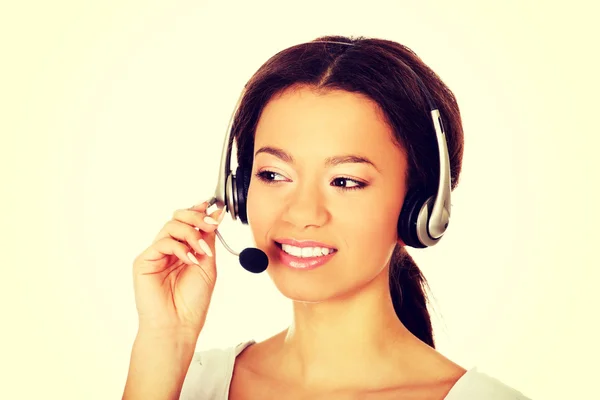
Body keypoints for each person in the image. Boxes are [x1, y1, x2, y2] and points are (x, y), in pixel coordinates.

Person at [122, 36, 531, 399]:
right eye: (274, 175)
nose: (302, 213)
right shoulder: (190, 383)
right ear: (238, 191)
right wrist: (165, 341)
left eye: (346, 181)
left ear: (420, 208)